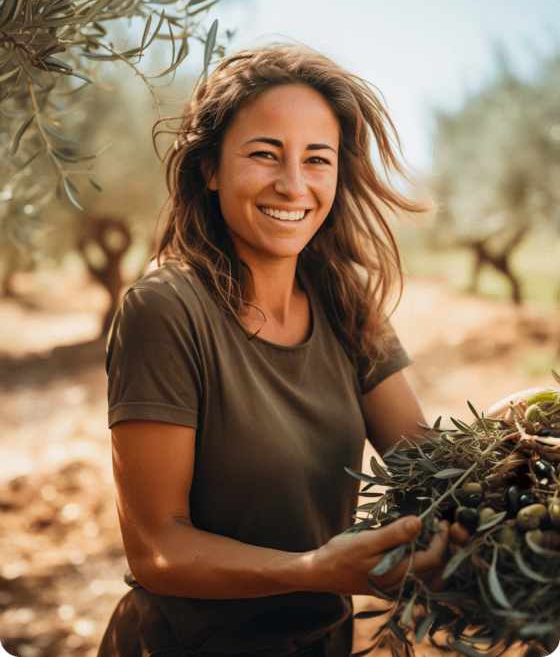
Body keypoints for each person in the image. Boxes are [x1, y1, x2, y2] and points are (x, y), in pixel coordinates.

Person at [97, 42, 502, 657]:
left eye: (318, 159)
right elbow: (158, 547)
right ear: (209, 168)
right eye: (265, 154)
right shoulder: (165, 310)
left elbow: (428, 466)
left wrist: (526, 424)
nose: (293, 185)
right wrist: (313, 570)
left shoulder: (345, 303)